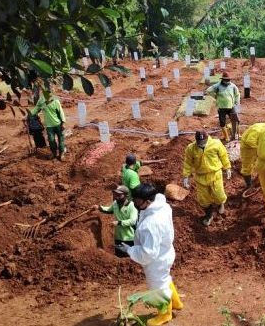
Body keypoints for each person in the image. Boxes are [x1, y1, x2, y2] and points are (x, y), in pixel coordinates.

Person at [117, 183, 183, 326]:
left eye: (138, 201)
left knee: (158, 286)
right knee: (165, 279)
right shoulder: (162, 205)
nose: (134, 203)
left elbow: (148, 253)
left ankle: (165, 314)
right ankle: (176, 302)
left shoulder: (151, 224)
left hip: (157, 259)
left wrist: (129, 250)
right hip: (166, 251)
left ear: (147, 201)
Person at [182, 130, 232, 226]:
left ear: (207, 137)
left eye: (203, 141)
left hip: (215, 174)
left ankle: (220, 204)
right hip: (200, 177)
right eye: (199, 142)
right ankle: (209, 215)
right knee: (203, 199)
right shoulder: (191, 148)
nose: (201, 143)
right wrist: (186, 176)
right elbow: (187, 163)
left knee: (219, 194)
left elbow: (224, 155)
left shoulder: (216, 143)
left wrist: (227, 167)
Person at [93, 185, 138, 258]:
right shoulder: (115, 204)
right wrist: (99, 207)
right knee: (119, 257)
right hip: (118, 237)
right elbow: (109, 210)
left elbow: (133, 221)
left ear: (126, 195)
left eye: (119, 195)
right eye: (116, 194)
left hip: (130, 237)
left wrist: (119, 222)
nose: (117, 196)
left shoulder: (132, 206)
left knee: (130, 259)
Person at [239, 115, 265, 190]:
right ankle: (249, 185)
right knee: (247, 166)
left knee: (259, 163)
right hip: (248, 148)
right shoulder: (257, 129)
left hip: (257, 147)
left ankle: (258, 180)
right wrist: (260, 149)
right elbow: (250, 141)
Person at [30, 89, 66, 160]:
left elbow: (61, 111)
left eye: (50, 92)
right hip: (49, 126)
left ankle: (62, 154)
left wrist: (63, 123)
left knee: (61, 140)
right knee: (51, 141)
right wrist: (28, 116)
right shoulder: (41, 101)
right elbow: (36, 109)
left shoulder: (55, 100)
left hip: (58, 124)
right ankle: (54, 153)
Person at [206, 71, 240, 142]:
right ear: (223, 79)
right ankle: (226, 137)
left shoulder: (233, 86)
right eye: (226, 80)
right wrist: (215, 96)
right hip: (221, 107)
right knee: (222, 122)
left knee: (235, 120)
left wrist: (236, 101)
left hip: (231, 106)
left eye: (229, 80)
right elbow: (209, 90)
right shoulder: (217, 86)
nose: (228, 81)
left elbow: (237, 94)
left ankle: (236, 134)